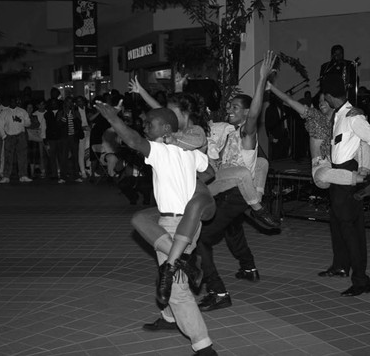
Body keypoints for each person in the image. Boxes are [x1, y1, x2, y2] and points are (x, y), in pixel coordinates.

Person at [94, 102, 218, 356]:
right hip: (189, 223)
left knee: (177, 289)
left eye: (150, 123)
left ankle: (203, 346)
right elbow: (211, 171)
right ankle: (171, 318)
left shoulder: (162, 150)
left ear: (165, 128)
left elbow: (133, 140)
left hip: (174, 224)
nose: (145, 126)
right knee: (167, 268)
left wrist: (113, 119)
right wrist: (190, 184)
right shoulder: (189, 153)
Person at [127, 79, 216, 305]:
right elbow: (159, 113)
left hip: (199, 191)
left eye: (172, 110)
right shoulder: (171, 131)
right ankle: (186, 271)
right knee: (142, 219)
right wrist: (142, 92)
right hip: (178, 198)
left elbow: (199, 150)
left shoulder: (193, 130)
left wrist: (189, 181)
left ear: (183, 114)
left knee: (193, 226)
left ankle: (190, 276)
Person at [321, 73, 370, 297]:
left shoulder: (353, 117)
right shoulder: (341, 114)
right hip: (338, 174)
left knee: (350, 230)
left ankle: (361, 281)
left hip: (348, 174)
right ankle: (340, 266)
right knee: (338, 224)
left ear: (329, 96)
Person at [207, 51, 280, 229]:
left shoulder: (246, 133)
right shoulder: (230, 131)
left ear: (246, 112)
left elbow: (254, 116)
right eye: (229, 106)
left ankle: (257, 206)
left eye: (235, 107)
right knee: (258, 164)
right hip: (217, 182)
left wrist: (262, 79)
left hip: (237, 178)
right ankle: (253, 201)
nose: (229, 110)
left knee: (256, 165)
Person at [266, 82, 370, 200]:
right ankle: (363, 180)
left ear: (332, 101)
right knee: (322, 176)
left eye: (325, 100)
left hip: (341, 160)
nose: (321, 103)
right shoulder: (315, 117)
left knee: (364, 138)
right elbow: (289, 101)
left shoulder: (343, 116)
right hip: (322, 166)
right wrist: (271, 87)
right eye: (319, 101)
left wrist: (360, 111)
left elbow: (361, 125)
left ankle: (364, 173)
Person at [0, 96, 32, 183]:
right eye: (11, 101)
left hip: (20, 135)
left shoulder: (22, 111)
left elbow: (28, 124)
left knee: (22, 157)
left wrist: (21, 121)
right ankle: (6, 176)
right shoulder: (4, 112)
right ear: (9, 102)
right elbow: (0, 125)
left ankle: (23, 175)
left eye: (14, 101)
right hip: (9, 136)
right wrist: (4, 136)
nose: (13, 103)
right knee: (8, 157)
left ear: (17, 102)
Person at [56, 96, 84, 183]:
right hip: (64, 138)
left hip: (74, 137)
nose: (70, 104)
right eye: (68, 102)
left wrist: (73, 113)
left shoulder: (75, 112)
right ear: (65, 103)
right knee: (64, 157)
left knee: (75, 157)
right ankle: (63, 177)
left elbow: (79, 123)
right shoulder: (60, 112)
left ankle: (76, 176)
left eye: (71, 102)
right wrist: (64, 114)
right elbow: (58, 125)